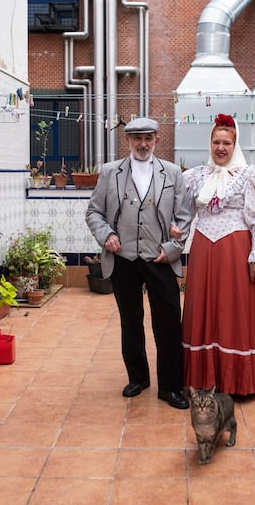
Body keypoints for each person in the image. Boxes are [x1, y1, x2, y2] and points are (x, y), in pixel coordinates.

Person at [85, 117, 192, 409]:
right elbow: (93, 212)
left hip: (159, 258)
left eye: (148, 138)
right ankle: (138, 377)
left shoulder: (171, 172)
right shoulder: (110, 172)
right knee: (131, 321)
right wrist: (106, 235)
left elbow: (184, 216)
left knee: (169, 323)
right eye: (137, 139)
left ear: (157, 139)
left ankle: (170, 387)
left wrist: (172, 248)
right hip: (124, 259)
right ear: (128, 141)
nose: (143, 144)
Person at [182, 113, 255, 396]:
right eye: (216, 142)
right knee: (202, 308)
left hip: (235, 251)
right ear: (209, 144)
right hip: (202, 250)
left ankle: (237, 380)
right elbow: (183, 215)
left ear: (236, 146)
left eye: (227, 143)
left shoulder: (251, 176)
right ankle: (204, 377)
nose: (220, 148)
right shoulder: (195, 176)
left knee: (232, 309)